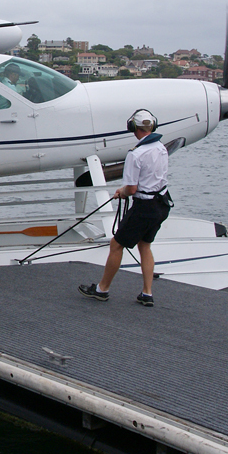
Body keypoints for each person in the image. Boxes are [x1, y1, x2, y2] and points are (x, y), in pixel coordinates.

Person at [79, 109, 171, 307]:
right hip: (162, 204)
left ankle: (102, 289)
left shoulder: (135, 154)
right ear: (153, 126)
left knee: (117, 244)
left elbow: (132, 188)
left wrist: (121, 191)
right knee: (144, 245)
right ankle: (147, 293)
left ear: (133, 128)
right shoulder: (161, 147)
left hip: (144, 206)